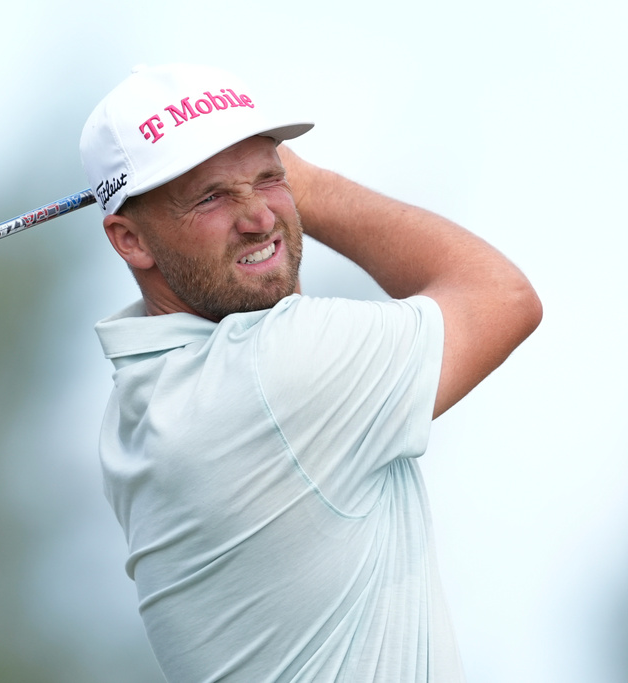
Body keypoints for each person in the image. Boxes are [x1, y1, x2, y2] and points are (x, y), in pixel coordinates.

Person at [79, 63, 542, 682]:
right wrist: (309, 185)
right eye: (211, 197)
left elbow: (272, 295)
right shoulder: (277, 372)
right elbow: (502, 297)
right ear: (130, 239)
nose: (258, 216)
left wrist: (247, 191)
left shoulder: (142, 405)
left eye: (270, 178)